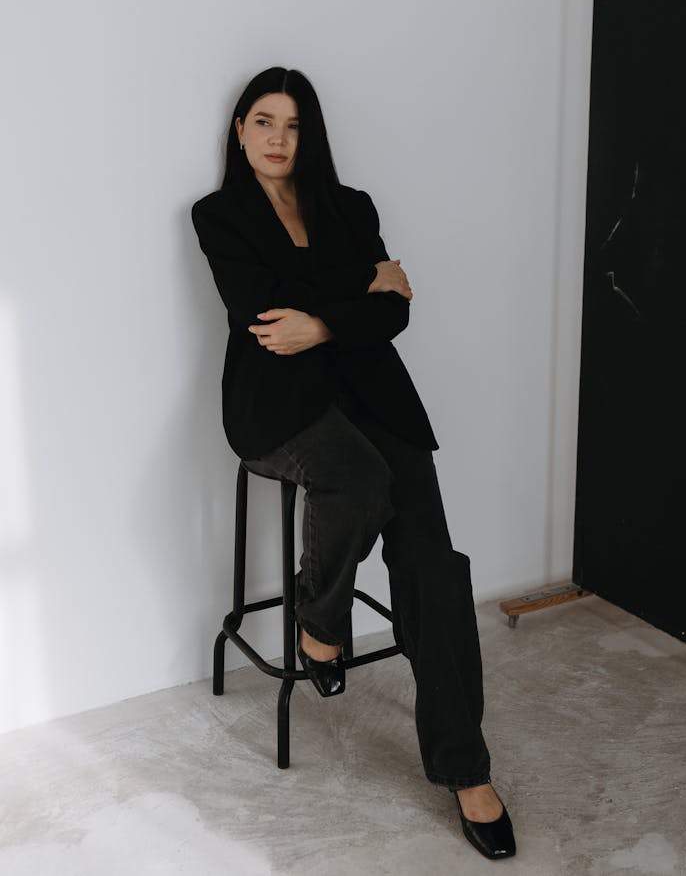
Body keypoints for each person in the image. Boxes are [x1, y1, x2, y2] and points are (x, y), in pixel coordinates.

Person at [190, 66, 516, 861]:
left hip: (373, 394)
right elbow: (263, 316)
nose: (276, 138)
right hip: (277, 405)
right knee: (358, 477)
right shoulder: (219, 215)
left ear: (310, 134)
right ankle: (321, 621)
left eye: (292, 125)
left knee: (432, 565)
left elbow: (394, 309)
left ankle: (465, 767)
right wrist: (361, 285)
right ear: (239, 129)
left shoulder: (350, 206)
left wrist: (328, 321)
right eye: (262, 121)